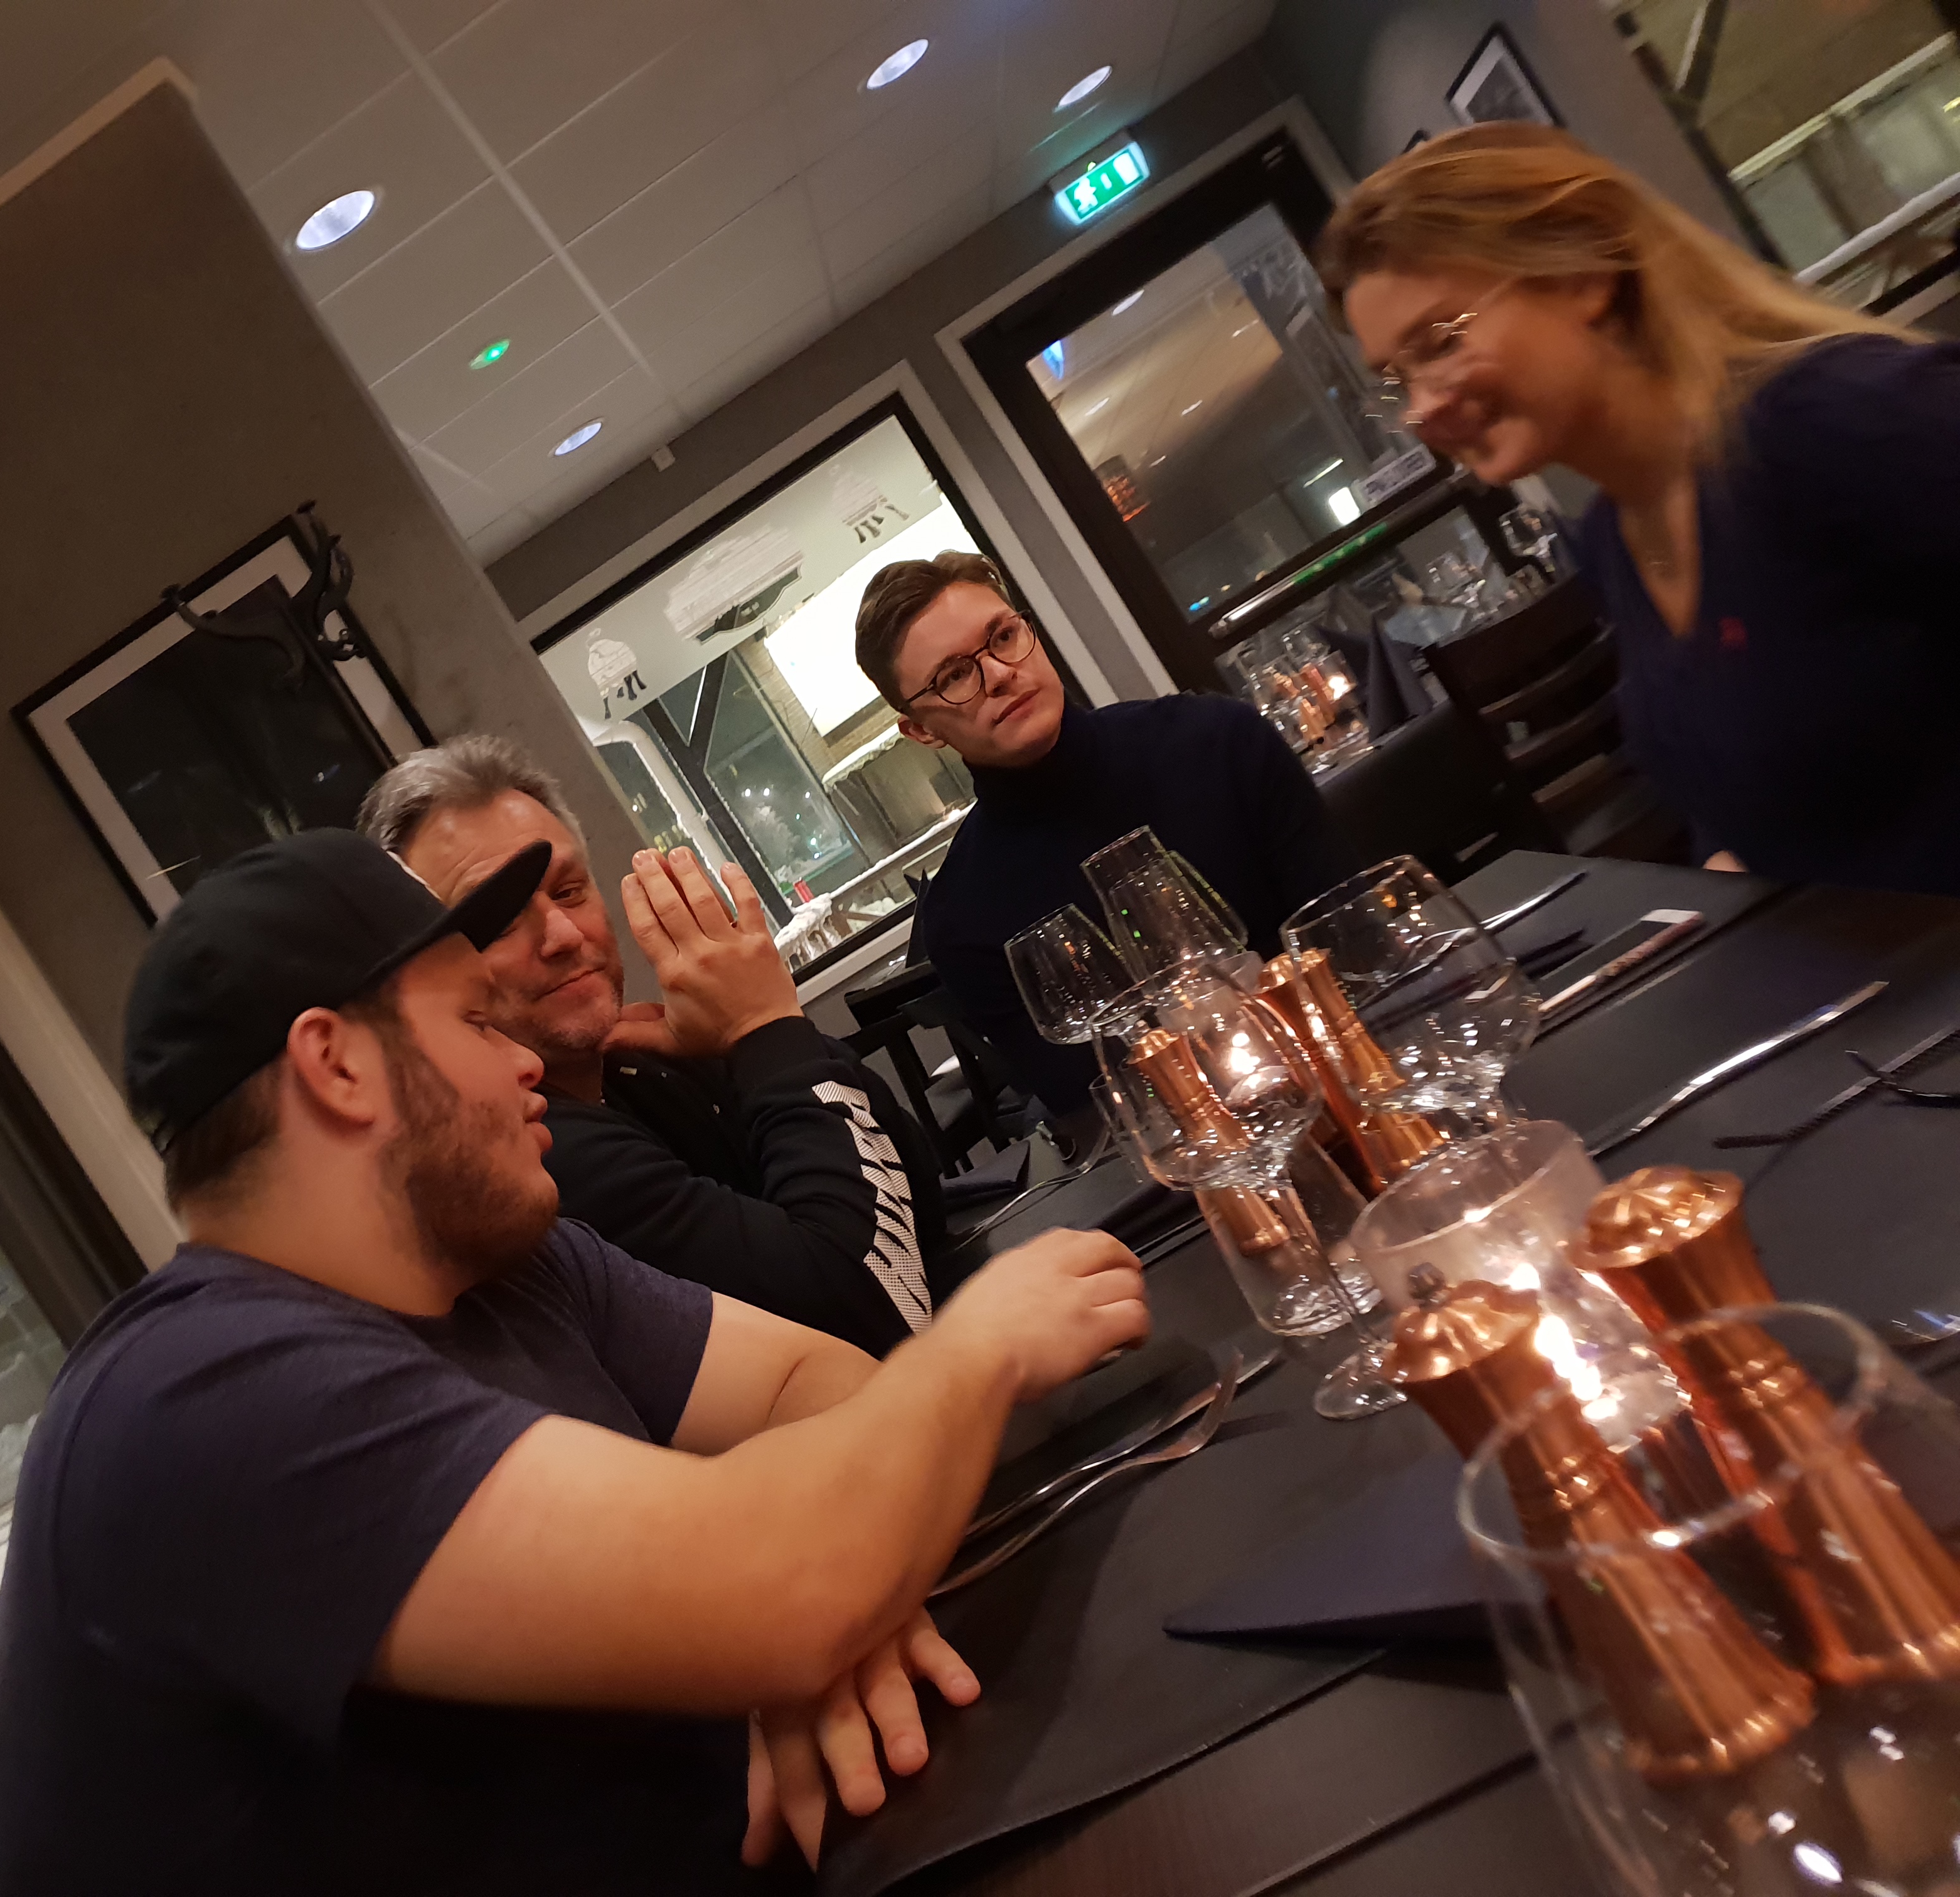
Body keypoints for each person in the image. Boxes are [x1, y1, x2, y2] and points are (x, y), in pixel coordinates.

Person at [0, 829, 1150, 1896]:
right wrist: (979, 1344)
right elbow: (791, 1576)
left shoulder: (509, 1264)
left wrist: (808, 1614)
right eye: (478, 1022)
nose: (527, 1060)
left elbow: (822, 1387)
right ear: (337, 1066)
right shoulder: (200, 1394)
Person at [1319, 123, 1960, 897]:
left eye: (1440, 341)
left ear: (1584, 273)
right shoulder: (1615, 539)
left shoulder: (1834, 422)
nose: (1421, 408)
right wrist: (1727, 874)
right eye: (1397, 378)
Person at [360, 736, 954, 1354]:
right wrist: (766, 1030)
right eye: (499, 920)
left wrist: (745, 1046)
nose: (564, 935)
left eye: (568, 892)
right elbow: (883, 1303)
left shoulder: (643, 1066)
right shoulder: (535, 1159)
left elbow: (913, 1188)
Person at [853, 551, 1348, 1114]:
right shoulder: (963, 919)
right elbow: (1099, 1108)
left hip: (1353, 1070)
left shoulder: (1219, 742)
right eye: (955, 676)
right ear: (921, 731)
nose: (999, 674)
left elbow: (1347, 941)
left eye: (1003, 637)